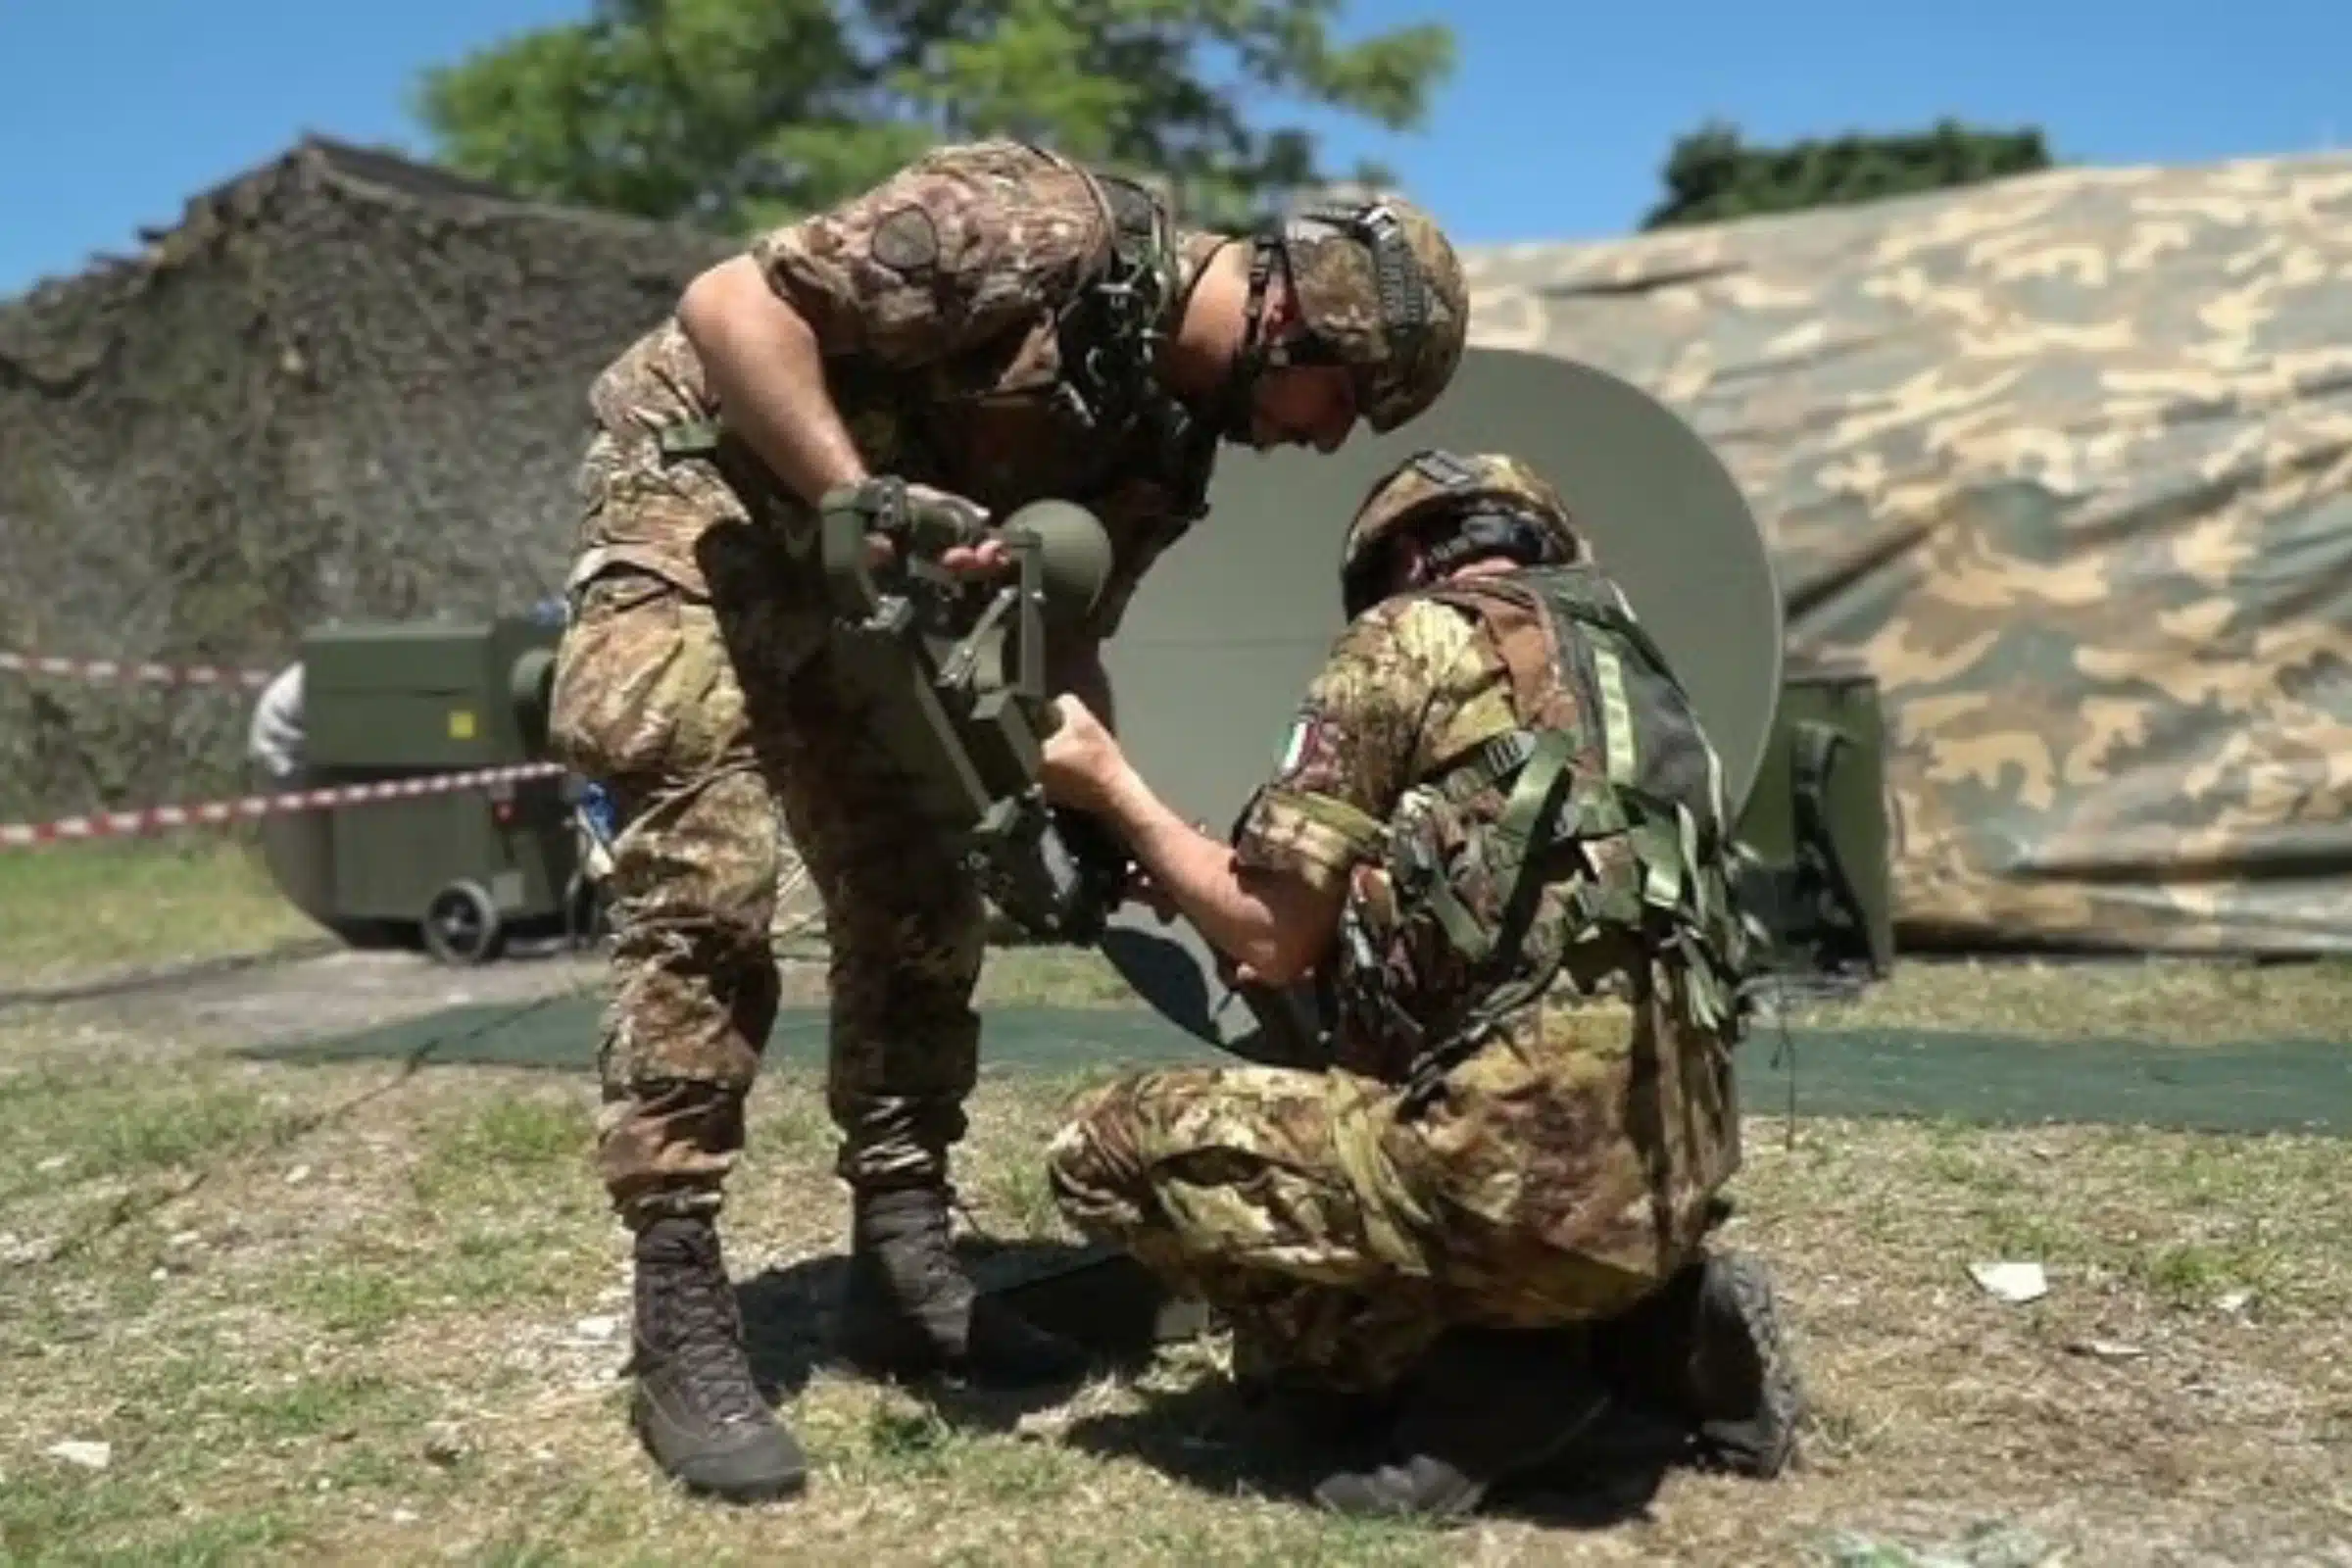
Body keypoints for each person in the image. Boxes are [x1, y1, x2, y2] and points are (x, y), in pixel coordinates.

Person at [542, 138, 1470, 1504]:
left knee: (922, 885)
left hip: (870, 565)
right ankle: (678, 1294)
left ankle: (905, 1262)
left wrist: (1094, 801)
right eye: (1348, 400)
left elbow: (1069, 633)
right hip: (711, 501)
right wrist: (852, 494)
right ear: (1297, 314)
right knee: (706, 872)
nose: (1326, 438)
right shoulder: (1038, 229)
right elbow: (733, 305)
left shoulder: (1166, 440)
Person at [1037, 448, 1805, 1521]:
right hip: (1666, 1189)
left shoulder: (1409, 636)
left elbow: (1269, 933)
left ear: (1402, 554)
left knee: (1104, 1147)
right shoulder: (1630, 668)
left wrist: (1110, 787)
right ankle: (1660, 1322)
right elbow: (1513, 932)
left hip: (1519, 1197)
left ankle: (1482, 1383)